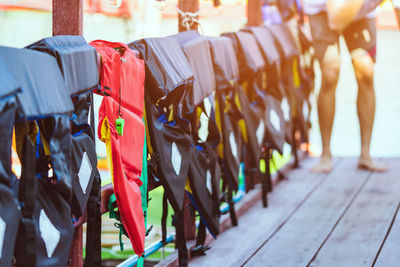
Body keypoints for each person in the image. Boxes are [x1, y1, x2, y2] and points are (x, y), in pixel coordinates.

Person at [302, 0, 388, 173]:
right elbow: (334, 17)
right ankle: (325, 155)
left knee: (366, 72)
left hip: (362, 12)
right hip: (321, 9)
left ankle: (366, 155)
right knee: (330, 74)